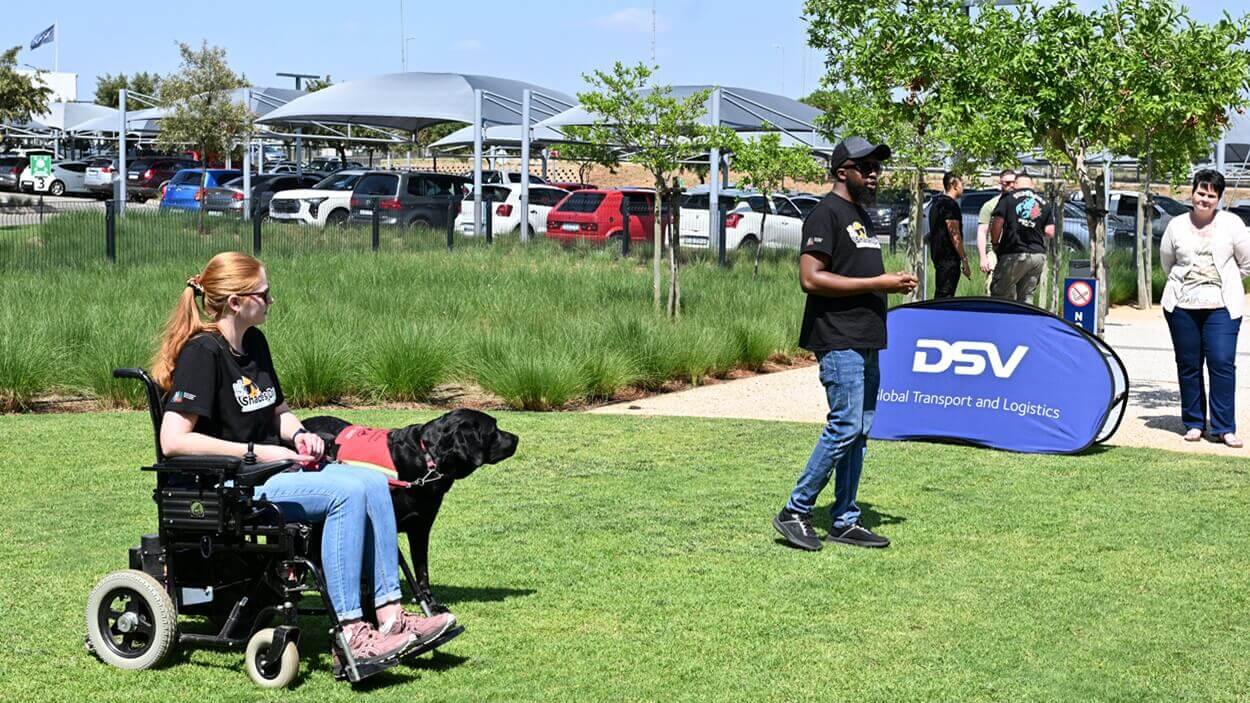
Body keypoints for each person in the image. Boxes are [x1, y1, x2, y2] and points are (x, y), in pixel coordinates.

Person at [152, 252, 455, 667]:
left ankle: (390, 617)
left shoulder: (254, 343)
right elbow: (173, 440)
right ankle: (351, 633)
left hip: (274, 470)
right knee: (347, 493)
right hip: (236, 484)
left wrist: (300, 434)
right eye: (264, 293)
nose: (271, 300)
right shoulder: (203, 354)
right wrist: (256, 452)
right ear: (237, 302)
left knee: (368, 480)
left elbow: (277, 412)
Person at [773, 136, 917, 552]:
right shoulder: (825, 214)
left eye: (877, 167)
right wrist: (879, 283)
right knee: (845, 425)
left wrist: (890, 281)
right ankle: (795, 511)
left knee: (861, 429)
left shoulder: (860, 216)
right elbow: (810, 278)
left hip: (866, 335)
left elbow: (852, 270)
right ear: (842, 172)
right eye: (865, 167)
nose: (874, 175)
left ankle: (845, 519)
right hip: (839, 338)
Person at [1159, 169, 1250, 448]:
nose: (1204, 199)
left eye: (1211, 195)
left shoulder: (1232, 224)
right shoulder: (1176, 225)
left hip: (1222, 305)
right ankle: (1194, 423)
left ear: (1219, 198)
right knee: (1189, 364)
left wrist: (1227, 283)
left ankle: (1224, 428)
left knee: (1222, 362)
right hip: (1182, 305)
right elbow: (1167, 262)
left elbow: (1246, 263)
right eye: (1201, 193)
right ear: (1193, 192)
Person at [988, 173, 1055, 303]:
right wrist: (1034, 227)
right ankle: (1024, 322)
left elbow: (997, 223)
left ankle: (1001, 322)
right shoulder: (1044, 203)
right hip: (1037, 256)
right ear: (1032, 185)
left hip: (1013, 253)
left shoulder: (1008, 198)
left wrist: (995, 243)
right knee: (1026, 298)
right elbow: (1050, 232)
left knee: (1000, 296)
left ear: (1016, 184)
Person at [929, 172, 970, 298]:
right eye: (962, 183)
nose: (963, 187)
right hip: (948, 259)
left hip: (939, 257)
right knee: (945, 296)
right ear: (954, 185)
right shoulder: (950, 205)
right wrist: (964, 259)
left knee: (942, 293)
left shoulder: (936, 203)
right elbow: (954, 233)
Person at [977, 169, 1016, 294]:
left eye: (1014, 182)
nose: (1011, 186)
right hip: (994, 252)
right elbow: (982, 232)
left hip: (1015, 252)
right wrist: (983, 257)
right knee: (992, 289)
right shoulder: (990, 205)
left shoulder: (1022, 204)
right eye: (1007, 183)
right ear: (1001, 183)